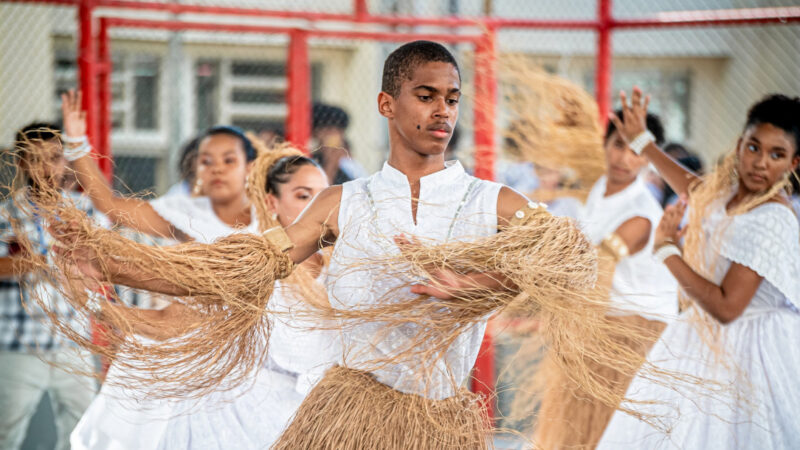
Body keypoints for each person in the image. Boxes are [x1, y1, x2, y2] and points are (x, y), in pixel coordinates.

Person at [48, 41, 601, 448]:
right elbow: (235, 275)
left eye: (452, 98)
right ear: (387, 104)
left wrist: (478, 285)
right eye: (425, 95)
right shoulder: (342, 202)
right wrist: (109, 262)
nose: (442, 111)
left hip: (442, 422)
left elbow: (574, 260)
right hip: (345, 413)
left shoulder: (493, 201)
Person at [598, 91, 800, 449]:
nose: (760, 163)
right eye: (754, 147)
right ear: (740, 145)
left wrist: (666, 252)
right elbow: (691, 186)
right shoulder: (728, 194)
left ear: (793, 164)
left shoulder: (772, 217)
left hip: (751, 352)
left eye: (777, 154)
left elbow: (726, 308)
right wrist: (642, 140)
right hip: (698, 338)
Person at [533, 109, 678, 449]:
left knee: (608, 437)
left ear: (648, 161)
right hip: (602, 326)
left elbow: (599, 260)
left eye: (636, 151)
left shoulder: (642, 213)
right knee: (577, 431)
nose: (624, 158)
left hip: (637, 335)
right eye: (617, 145)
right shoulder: (600, 187)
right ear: (605, 143)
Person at [0, 123, 98, 450]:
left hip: (73, 339)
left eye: (54, 158)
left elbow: (101, 264)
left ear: (65, 161)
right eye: (36, 159)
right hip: (20, 343)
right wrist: (33, 263)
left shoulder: (83, 211)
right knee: (6, 432)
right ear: (22, 163)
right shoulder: (6, 213)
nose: (46, 167)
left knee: (83, 431)